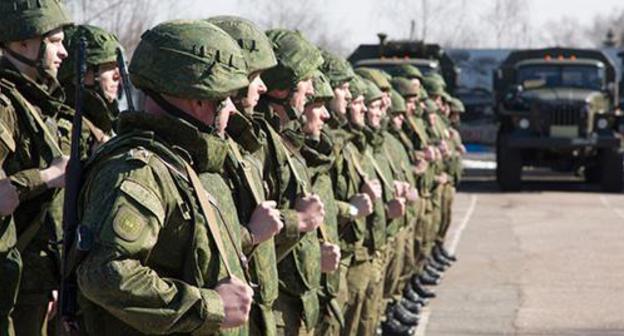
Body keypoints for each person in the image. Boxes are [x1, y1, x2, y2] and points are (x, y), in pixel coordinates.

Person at [74, 20, 254, 335]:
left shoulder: (178, 162)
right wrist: (209, 306)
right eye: (223, 100)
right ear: (198, 98)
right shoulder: (140, 171)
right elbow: (106, 274)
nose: (230, 112)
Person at [256, 28, 339, 336]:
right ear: (283, 87)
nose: (310, 90)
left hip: (295, 304)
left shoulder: (284, 143)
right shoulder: (259, 149)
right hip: (275, 308)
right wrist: (298, 222)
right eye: (306, 82)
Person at [208, 15, 285, 336]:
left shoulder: (241, 145)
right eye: (255, 76)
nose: (263, 87)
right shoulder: (205, 154)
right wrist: (252, 234)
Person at [0, 1, 74, 334]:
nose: (64, 53)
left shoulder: (35, 101)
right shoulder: (4, 105)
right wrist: (47, 177)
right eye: (55, 41)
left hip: (33, 280)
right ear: (23, 43)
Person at [59, 24, 122, 145]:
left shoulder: (107, 124)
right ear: (80, 74)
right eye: (108, 67)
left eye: (117, 66)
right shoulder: (70, 130)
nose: (117, 76)